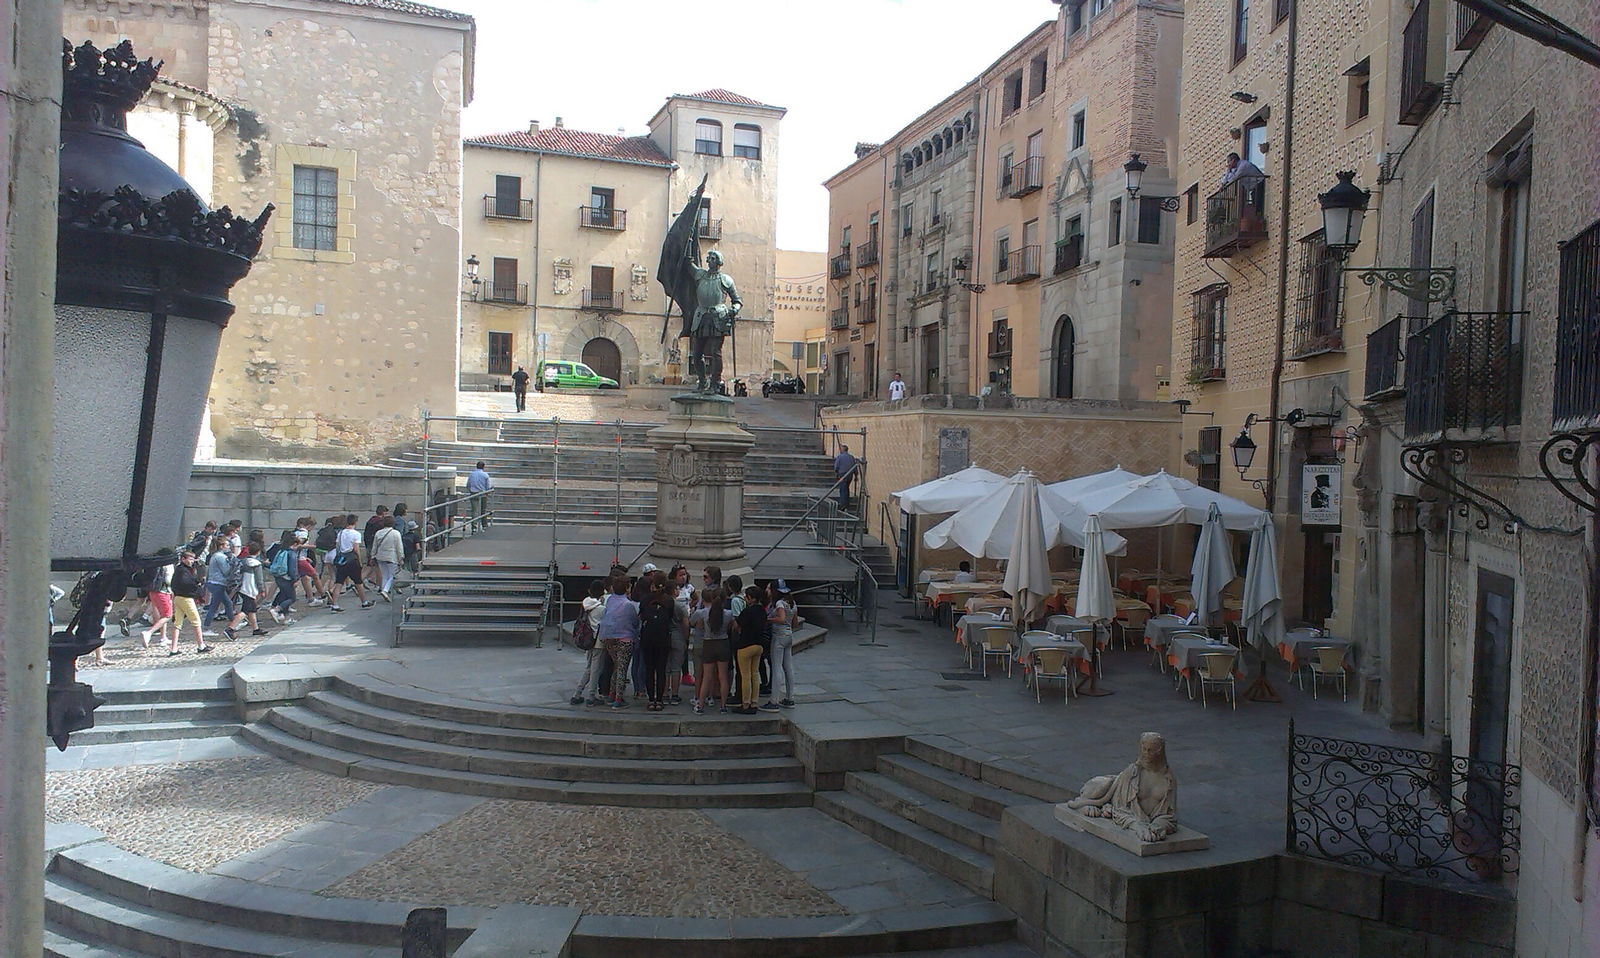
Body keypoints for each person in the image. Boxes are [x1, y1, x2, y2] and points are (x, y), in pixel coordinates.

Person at [597, 573, 641, 709]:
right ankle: (618, 698)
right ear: (628, 588)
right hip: (624, 638)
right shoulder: (628, 605)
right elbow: (634, 621)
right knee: (622, 668)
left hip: (608, 637)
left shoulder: (609, 600)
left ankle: (611, 693)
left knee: (617, 666)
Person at [689, 586, 732, 714]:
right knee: (722, 676)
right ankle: (723, 706)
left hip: (708, 643)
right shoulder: (728, 614)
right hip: (723, 643)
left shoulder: (703, 613)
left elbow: (694, 622)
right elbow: (731, 626)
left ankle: (701, 705)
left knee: (706, 676)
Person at [638, 574, 677, 711]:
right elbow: (670, 617)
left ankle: (650, 699)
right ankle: (659, 700)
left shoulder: (645, 599)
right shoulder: (669, 601)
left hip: (648, 637)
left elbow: (641, 614)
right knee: (661, 669)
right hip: (663, 637)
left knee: (649, 669)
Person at [571, 579, 609, 706]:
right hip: (598, 641)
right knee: (596, 669)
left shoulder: (585, 603)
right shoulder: (601, 609)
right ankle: (592, 696)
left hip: (587, 639)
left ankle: (577, 693)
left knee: (588, 667)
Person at [732, 585, 768, 716]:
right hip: (759, 645)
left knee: (745, 676)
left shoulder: (747, 611)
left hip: (746, 645)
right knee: (755, 674)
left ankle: (745, 704)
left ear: (750, 598)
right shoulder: (762, 611)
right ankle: (754, 702)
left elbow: (737, 625)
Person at [763, 579, 798, 710]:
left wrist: (768, 620)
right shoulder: (792, 603)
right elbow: (794, 623)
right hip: (789, 635)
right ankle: (790, 698)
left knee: (777, 667)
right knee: (788, 667)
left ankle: (774, 701)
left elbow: (781, 619)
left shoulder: (779, 603)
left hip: (779, 635)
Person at [169, 549, 212, 653]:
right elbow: (185, 582)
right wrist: (196, 584)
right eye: (190, 559)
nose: (192, 561)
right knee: (196, 621)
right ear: (183, 559)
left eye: (193, 559)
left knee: (177, 623)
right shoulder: (183, 571)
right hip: (186, 598)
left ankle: (173, 649)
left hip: (178, 598)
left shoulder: (180, 569)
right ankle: (201, 646)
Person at [329, 514, 374, 611]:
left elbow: (337, 546)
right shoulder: (356, 534)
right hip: (352, 560)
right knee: (358, 582)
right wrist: (360, 561)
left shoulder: (340, 533)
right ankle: (364, 602)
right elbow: (356, 548)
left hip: (342, 559)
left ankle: (334, 604)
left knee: (339, 582)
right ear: (355, 522)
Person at [203, 536, 240, 640]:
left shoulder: (215, 555)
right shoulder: (220, 557)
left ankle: (233, 623)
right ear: (221, 546)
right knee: (214, 606)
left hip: (216, 583)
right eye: (227, 545)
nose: (228, 547)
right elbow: (226, 571)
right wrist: (232, 563)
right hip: (217, 583)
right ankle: (206, 628)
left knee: (228, 603)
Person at [265, 532, 300, 625]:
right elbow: (292, 568)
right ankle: (277, 609)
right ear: (295, 544)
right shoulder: (291, 553)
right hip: (287, 578)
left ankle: (286, 618)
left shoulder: (281, 551)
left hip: (278, 576)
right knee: (292, 598)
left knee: (284, 596)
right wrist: (295, 579)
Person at [140, 561, 174, 650]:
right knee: (167, 616)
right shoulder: (168, 564)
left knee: (160, 614)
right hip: (163, 592)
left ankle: (163, 637)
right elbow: (168, 581)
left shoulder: (154, 563)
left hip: (153, 591)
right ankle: (149, 633)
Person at [371, 515, 405, 601]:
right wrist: (401, 558)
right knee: (392, 575)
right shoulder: (396, 533)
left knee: (385, 575)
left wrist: (372, 555)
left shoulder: (378, 533)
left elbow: (374, 546)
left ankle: (384, 590)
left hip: (380, 556)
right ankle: (385, 591)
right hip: (391, 556)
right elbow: (399, 547)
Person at [466, 461, 492, 531]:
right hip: (482, 494)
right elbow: (488, 486)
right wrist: (487, 493)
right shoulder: (485, 475)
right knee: (483, 510)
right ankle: (484, 525)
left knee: (474, 511)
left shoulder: (472, 474)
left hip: (473, 493)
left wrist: (470, 490)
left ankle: (474, 527)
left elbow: (468, 484)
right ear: (483, 467)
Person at [834, 444, 858, 511]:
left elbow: (836, 467)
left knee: (842, 489)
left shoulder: (839, 457)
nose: (840, 450)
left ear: (842, 450)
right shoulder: (851, 457)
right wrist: (856, 476)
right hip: (850, 475)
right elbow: (855, 467)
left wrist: (836, 474)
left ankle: (843, 505)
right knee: (846, 488)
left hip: (842, 475)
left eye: (841, 449)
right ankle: (847, 503)